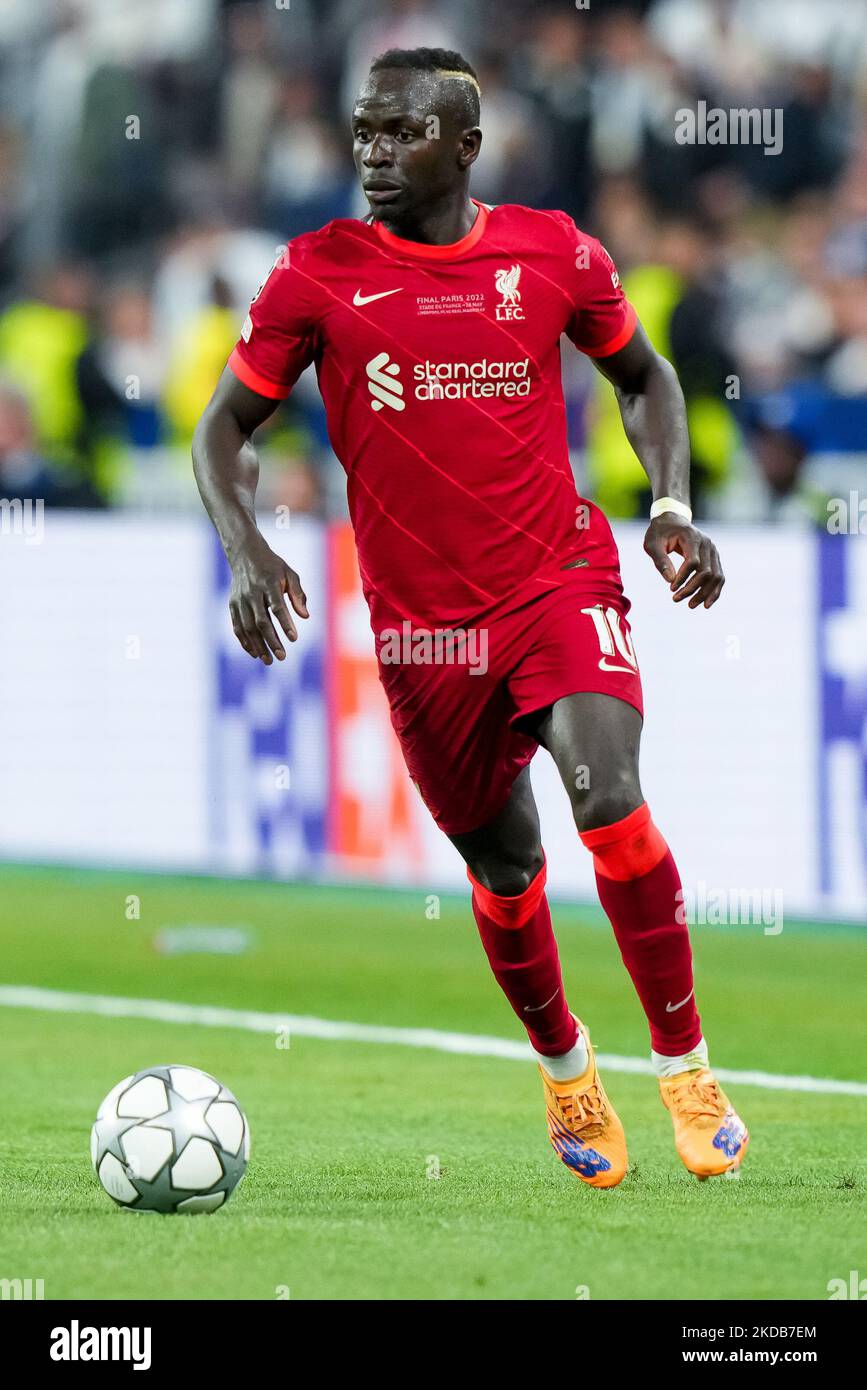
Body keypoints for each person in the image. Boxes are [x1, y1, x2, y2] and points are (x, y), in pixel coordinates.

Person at [193, 47, 747, 1188]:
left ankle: (686, 1064)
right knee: (506, 869)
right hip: (424, 633)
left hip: (557, 579)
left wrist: (673, 503)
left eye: (400, 133)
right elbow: (221, 433)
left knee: (610, 797)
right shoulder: (317, 274)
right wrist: (244, 545)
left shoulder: (551, 249)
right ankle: (564, 1066)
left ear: (464, 146)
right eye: (363, 131)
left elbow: (644, 376)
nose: (374, 153)